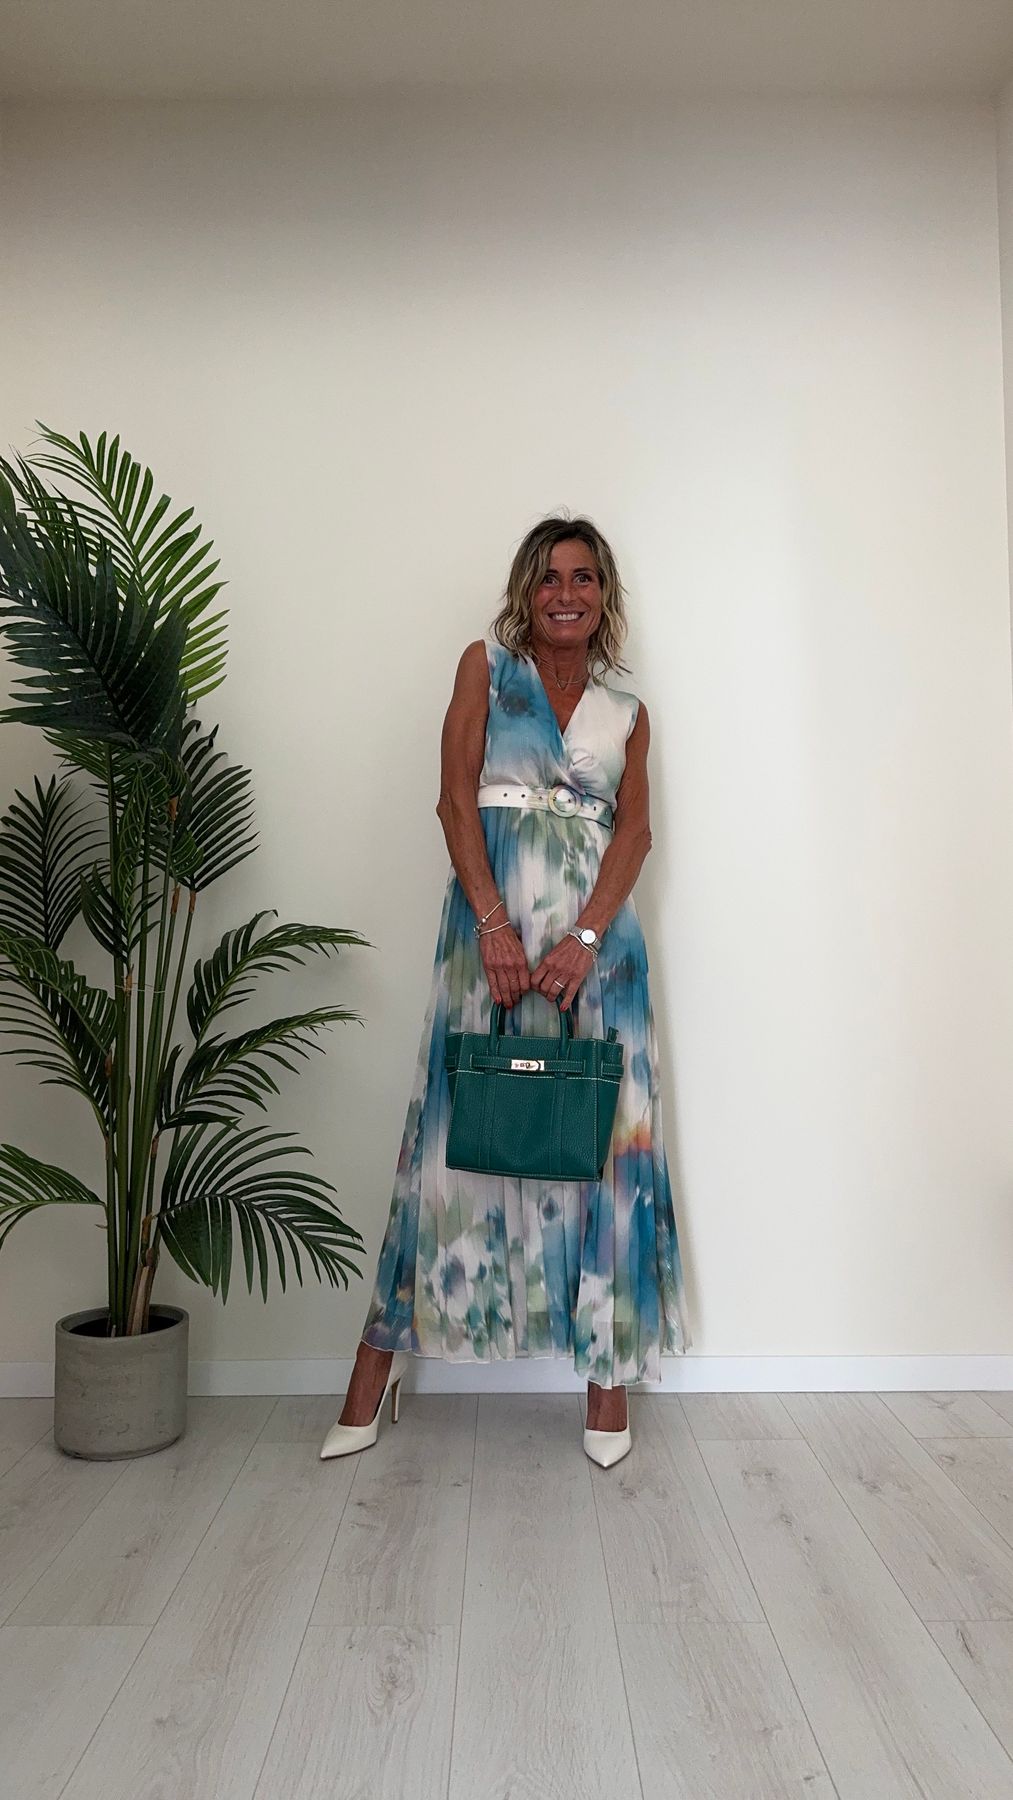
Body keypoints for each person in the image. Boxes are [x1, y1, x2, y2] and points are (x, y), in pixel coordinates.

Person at [320, 515, 689, 1469]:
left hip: (597, 958)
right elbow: (455, 800)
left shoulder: (628, 711)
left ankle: (606, 1379)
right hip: (487, 943)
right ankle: (375, 1367)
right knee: (447, 1142)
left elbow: (634, 837)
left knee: (606, 1147)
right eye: (549, 578)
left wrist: (584, 938)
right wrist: (492, 924)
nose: (566, 593)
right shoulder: (484, 669)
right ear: (526, 591)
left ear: (603, 596)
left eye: (583, 578)